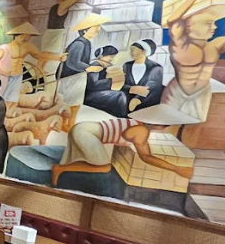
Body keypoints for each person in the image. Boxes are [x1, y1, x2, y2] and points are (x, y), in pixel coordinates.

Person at [52, 114, 194, 185]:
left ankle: (62, 170)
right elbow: (146, 157)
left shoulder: (137, 123)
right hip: (85, 133)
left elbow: (144, 149)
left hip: (83, 127)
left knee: (89, 159)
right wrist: (176, 169)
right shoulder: (141, 131)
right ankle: (60, 169)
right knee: (104, 167)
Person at [162, 0, 225, 121]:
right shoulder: (180, 44)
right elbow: (173, 20)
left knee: (194, 126)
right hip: (177, 92)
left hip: (202, 93)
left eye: (214, 23)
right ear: (188, 28)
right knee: (166, 123)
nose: (214, 27)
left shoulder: (216, 45)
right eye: (208, 23)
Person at [0, 23, 66, 105]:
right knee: (2, 100)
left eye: (28, 36)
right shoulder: (5, 48)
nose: (26, 38)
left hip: (18, 76)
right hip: (6, 77)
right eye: (24, 35)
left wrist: (57, 58)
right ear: (17, 35)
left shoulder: (28, 46)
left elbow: (39, 55)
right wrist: (5, 73)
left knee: (13, 101)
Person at [57, 13, 109, 113]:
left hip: (77, 76)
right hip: (70, 77)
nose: (97, 30)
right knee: (70, 102)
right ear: (85, 30)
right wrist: (89, 68)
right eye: (95, 27)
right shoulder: (79, 43)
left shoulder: (86, 42)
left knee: (75, 103)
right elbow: (73, 62)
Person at [83, 45, 129, 117]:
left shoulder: (103, 67)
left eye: (113, 57)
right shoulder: (95, 66)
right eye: (110, 57)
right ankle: (122, 117)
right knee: (120, 95)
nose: (112, 59)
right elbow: (93, 85)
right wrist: (111, 80)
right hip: (91, 95)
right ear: (101, 56)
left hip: (97, 92)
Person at [122, 39, 164, 113]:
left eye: (133, 50)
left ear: (143, 51)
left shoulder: (156, 67)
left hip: (147, 101)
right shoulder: (127, 65)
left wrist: (137, 99)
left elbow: (152, 87)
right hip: (127, 99)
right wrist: (130, 88)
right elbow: (122, 83)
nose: (130, 53)